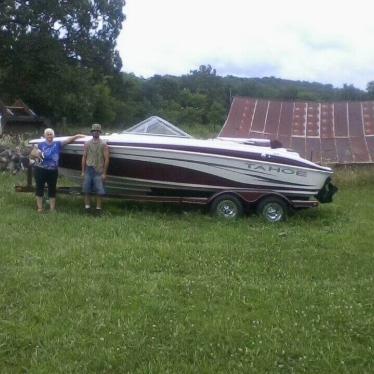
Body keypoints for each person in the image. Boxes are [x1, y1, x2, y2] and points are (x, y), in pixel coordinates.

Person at [32, 128, 85, 212]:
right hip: (40, 170)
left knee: (52, 188)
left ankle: (52, 209)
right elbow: (32, 154)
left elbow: (68, 140)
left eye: (51, 134)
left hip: (53, 171)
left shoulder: (58, 144)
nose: (49, 135)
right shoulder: (40, 144)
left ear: (54, 135)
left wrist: (77, 136)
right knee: (39, 188)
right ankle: (40, 208)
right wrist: (35, 153)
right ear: (45, 135)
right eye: (48, 134)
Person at [81, 123, 110, 214]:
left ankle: (98, 209)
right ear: (92, 132)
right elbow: (84, 157)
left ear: (100, 132)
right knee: (86, 190)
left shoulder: (104, 144)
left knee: (99, 191)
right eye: (94, 131)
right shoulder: (87, 143)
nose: (96, 132)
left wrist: (104, 173)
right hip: (88, 169)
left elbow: (107, 159)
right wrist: (82, 171)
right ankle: (87, 208)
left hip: (99, 170)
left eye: (97, 131)